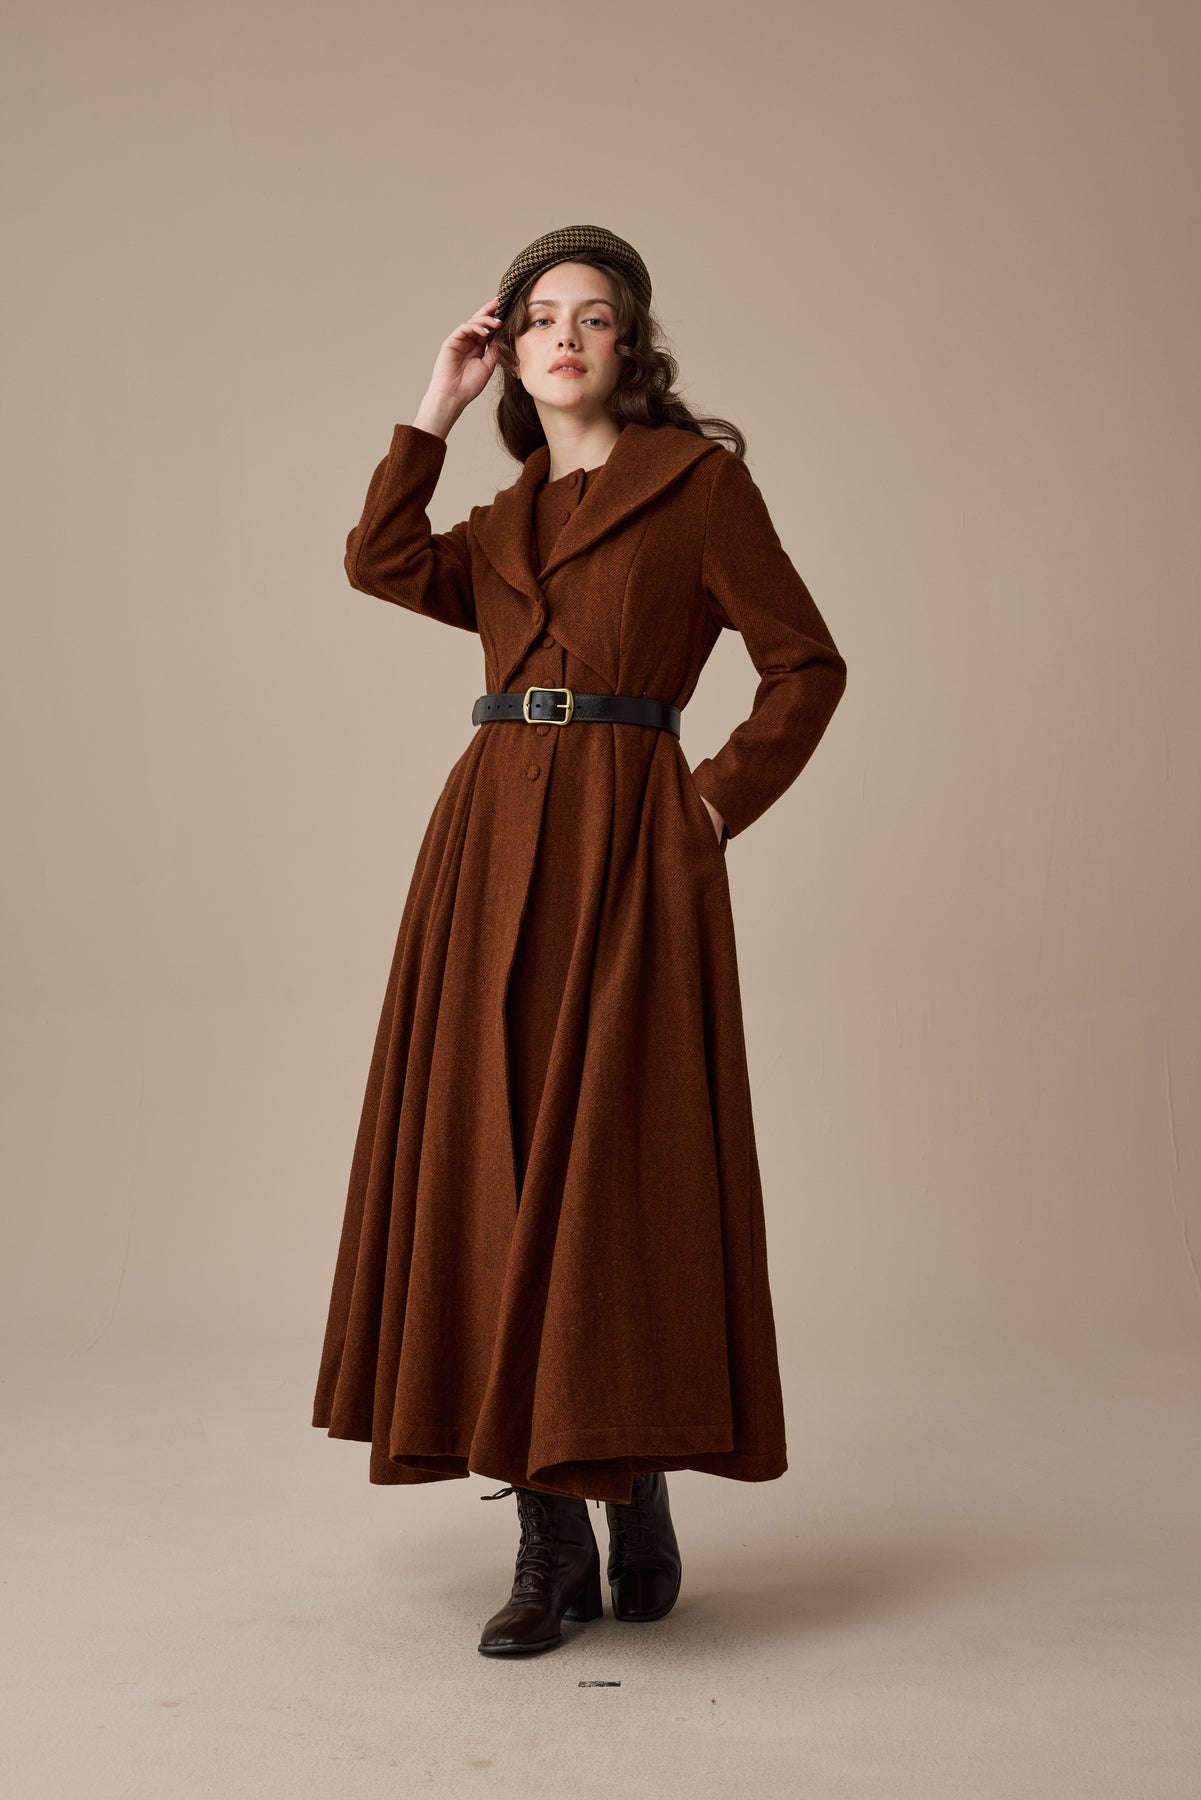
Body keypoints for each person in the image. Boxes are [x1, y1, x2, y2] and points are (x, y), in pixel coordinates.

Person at [311, 225, 848, 1657]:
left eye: (593, 316)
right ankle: (550, 1536)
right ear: (513, 354)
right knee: (491, 1160)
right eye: (539, 316)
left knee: (611, 1160)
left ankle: (633, 1482)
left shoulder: (698, 486)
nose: (563, 334)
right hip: (489, 842)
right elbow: (378, 559)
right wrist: (432, 406)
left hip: (626, 843)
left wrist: (708, 808)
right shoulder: (501, 525)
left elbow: (805, 663)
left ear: (631, 346)